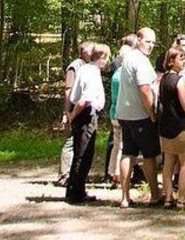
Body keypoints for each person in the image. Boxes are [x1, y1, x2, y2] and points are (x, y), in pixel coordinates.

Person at [116, 27, 162, 208]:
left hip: (125, 113)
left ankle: (125, 197)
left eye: (153, 43)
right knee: (149, 155)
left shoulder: (128, 58)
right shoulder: (141, 61)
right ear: (139, 39)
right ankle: (155, 194)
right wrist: (152, 112)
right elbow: (144, 89)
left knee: (128, 152)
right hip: (140, 115)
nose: (150, 45)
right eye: (147, 41)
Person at [65, 43, 110, 203]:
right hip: (86, 115)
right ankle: (76, 192)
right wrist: (73, 114)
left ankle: (74, 189)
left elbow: (73, 94)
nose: (107, 62)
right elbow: (84, 100)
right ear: (102, 57)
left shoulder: (84, 68)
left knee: (80, 152)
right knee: (83, 154)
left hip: (81, 114)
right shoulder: (91, 72)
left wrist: (72, 113)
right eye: (107, 58)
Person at [159, 47, 185, 210]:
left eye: (184, 58)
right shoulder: (179, 81)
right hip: (181, 126)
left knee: (168, 162)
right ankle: (181, 198)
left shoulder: (163, 79)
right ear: (170, 61)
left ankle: (168, 197)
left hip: (166, 126)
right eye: (180, 58)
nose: (183, 61)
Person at [57, 41, 94, 187]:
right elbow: (68, 90)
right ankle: (64, 175)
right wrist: (67, 112)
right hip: (74, 108)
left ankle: (75, 174)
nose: (92, 54)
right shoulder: (75, 66)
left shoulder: (88, 66)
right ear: (83, 51)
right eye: (90, 51)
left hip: (83, 109)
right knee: (70, 142)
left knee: (79, 142)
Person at [107, 35, 137, 185]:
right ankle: (119, 174)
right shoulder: (123, 76)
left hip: (114, 114)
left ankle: (113, 172)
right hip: (122, 115)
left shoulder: (116, 74)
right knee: (122, 146)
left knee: (117, 145)